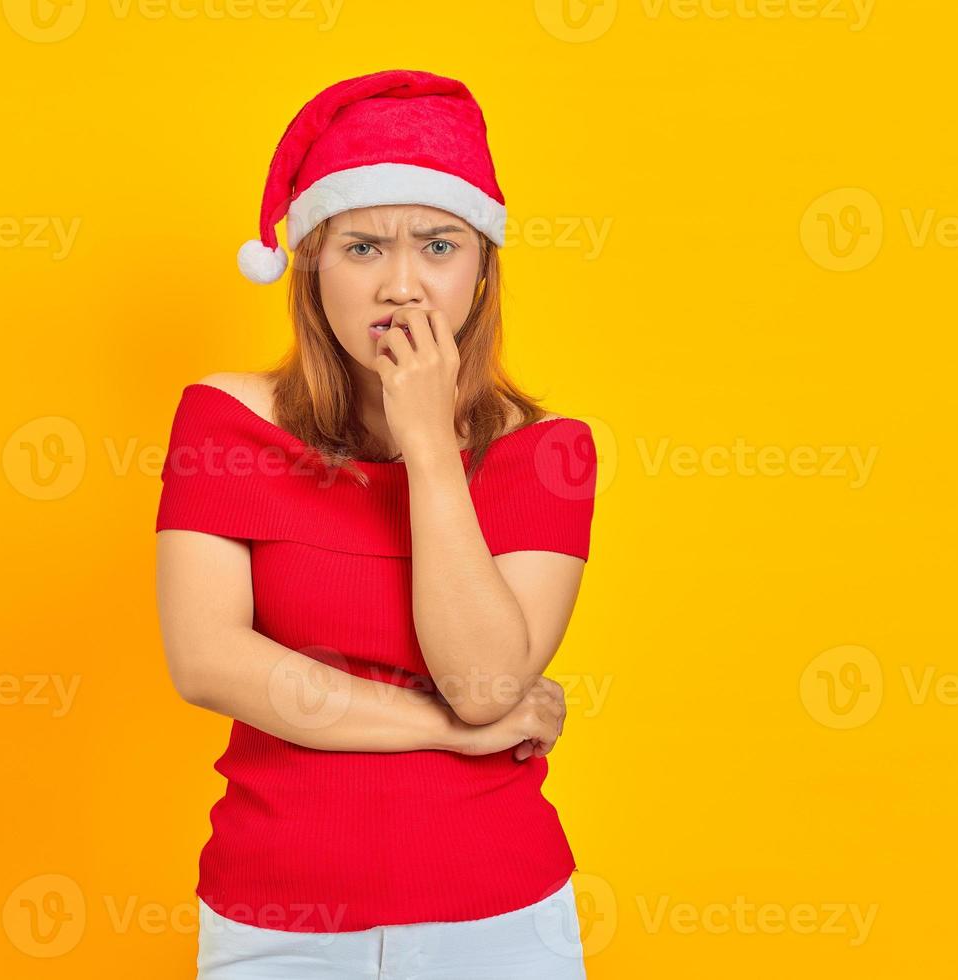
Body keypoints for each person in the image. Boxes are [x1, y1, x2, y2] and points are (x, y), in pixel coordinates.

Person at [155, 68, 598, 979]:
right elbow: (208, 660)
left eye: (438, 246)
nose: (403, 285)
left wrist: (428, 444)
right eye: (362, 249)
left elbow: (481, 683)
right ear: (312, 269)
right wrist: (446, 731)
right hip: (276, 917)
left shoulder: (550, 453)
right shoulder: (223, 422)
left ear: (481, 270)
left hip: (499, 917)